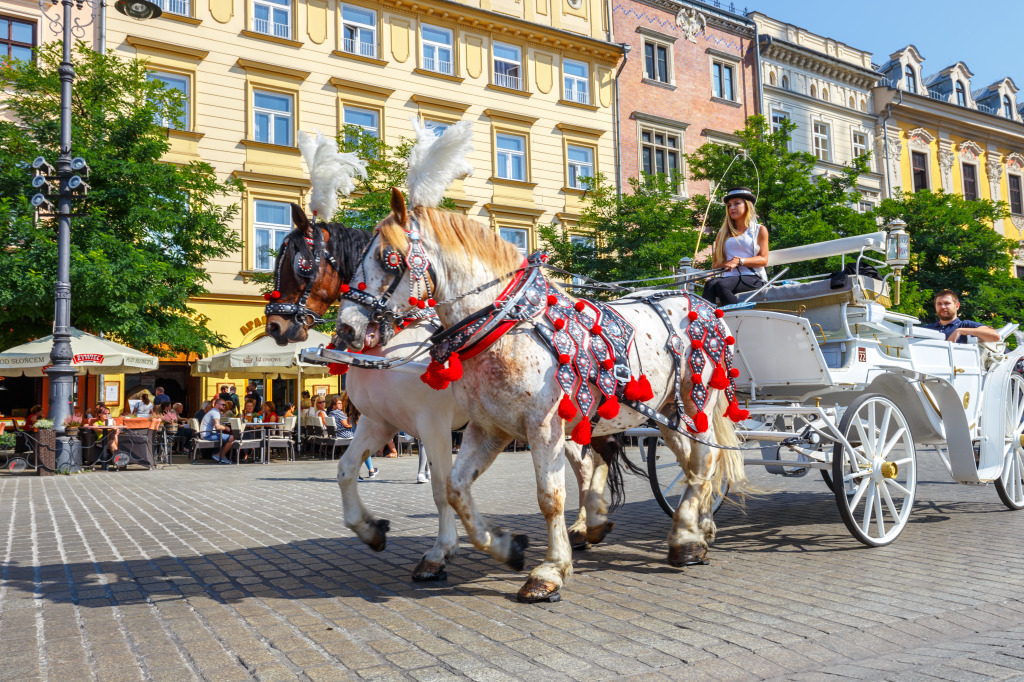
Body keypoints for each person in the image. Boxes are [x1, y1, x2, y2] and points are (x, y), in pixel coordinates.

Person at [702, 187, 770, 307]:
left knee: (719, 285)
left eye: (737, 203)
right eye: (729, 205)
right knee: (710, 283)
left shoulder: (759, 230)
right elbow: (716, 264)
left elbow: (763, 260)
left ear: (747, 205)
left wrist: (739, 261)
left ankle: (735, 318)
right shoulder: (722, 233)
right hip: (727, 278)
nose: (732, 208)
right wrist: (729, 263)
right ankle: (706, 321)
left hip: (753, 278)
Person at [925, 290, 1000, 344]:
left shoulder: (965, 325)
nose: (943, 307)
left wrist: (960, 331)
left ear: (957, 306)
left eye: (947, 303)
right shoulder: (927, 329)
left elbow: (995, 336)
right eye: (939, 304)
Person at [200, 398, 234, 464]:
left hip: (205, 434)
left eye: (225, 405)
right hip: (208, 436)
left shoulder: (213, 411)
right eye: (223, 405)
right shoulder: (215, 413)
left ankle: (219, 454)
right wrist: (226, 428)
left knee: (227, 436)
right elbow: (217, 426)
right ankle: (219, 455)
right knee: (232, 438)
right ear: (217, 404)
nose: (224, 406)